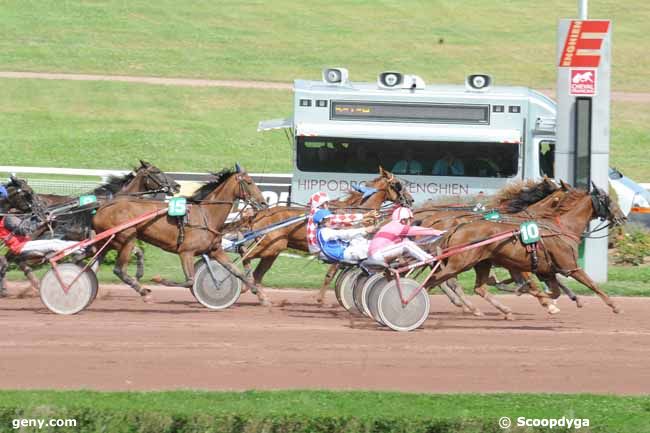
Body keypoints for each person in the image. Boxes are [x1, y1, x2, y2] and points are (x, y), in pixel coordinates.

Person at [368, 207, 445, 263]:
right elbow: (417, 230)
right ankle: (430, 260)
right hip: (378, 254)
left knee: (411, 244)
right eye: (409, 219)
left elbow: (417, 243)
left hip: (373, 255)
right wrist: (438, 232)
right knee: (407, 244)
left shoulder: (390, 226)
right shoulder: (397, 226)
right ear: (404, 220)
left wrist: (437, 236)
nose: (410, 222)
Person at [0, 213, 81, 257]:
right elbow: (25, 229)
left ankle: (80, 247)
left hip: (23, 244)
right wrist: (43, 221)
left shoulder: (5, 220)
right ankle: (81, 248)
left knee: (56, 241)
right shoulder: (7, 220)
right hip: (21, 246)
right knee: (54, 244)